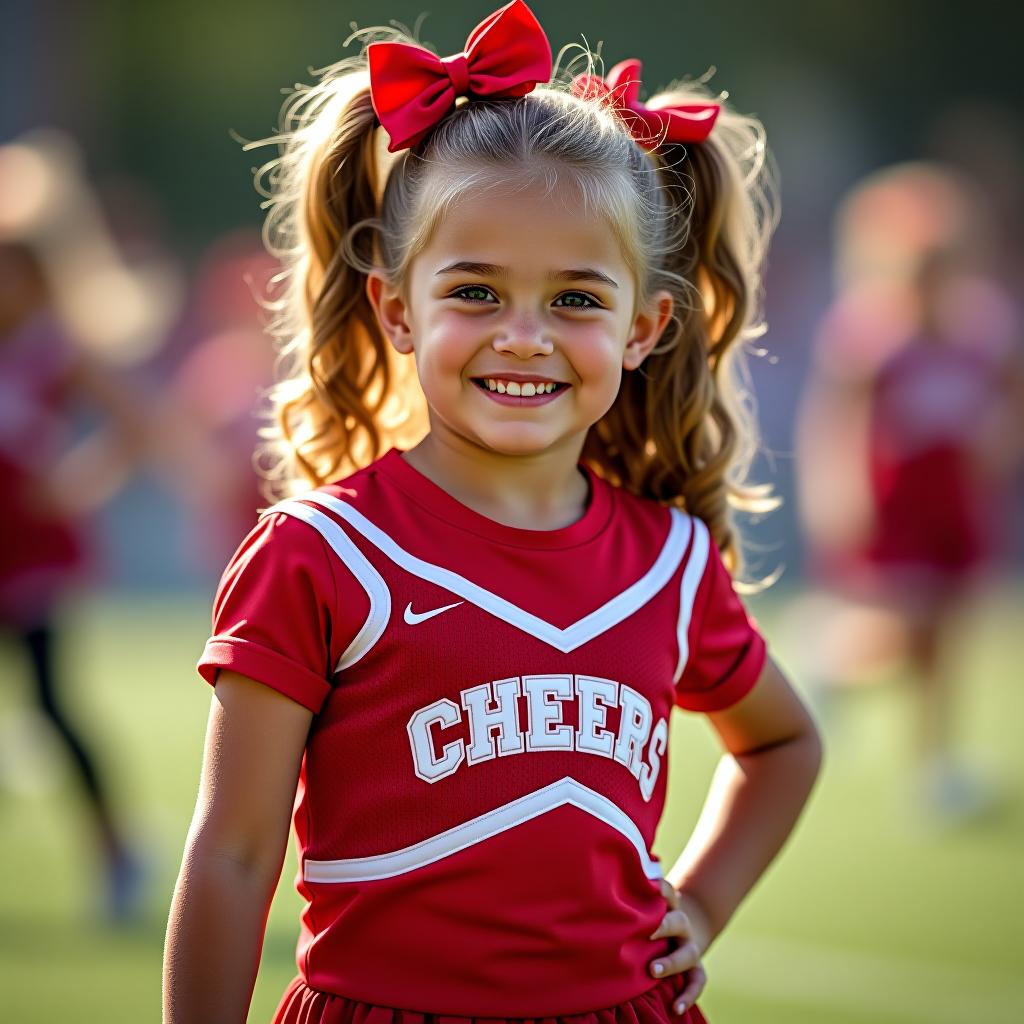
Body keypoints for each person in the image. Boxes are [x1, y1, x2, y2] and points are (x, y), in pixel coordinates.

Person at [163, 3, 822, 1022]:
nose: (524, 337)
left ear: (644, 326)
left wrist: (700, 900)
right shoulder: (321, 554)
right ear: (396, 310)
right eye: (474, 291)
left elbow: (781, 744)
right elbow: (235, 851)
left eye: (574, 300)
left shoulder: (673, 563)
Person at [794, 163, 1023, 821]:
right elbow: (836, 419)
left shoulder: (985, 328)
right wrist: (838, 492)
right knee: (907, 626)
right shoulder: (871, 335)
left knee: (949, 635)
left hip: (956, 501)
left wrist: (997, 448)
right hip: (893, 503)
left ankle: (936, 767)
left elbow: (1009, 399)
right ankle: (830, 663)